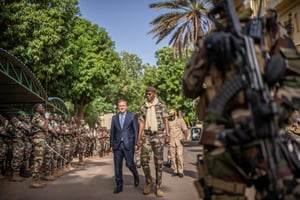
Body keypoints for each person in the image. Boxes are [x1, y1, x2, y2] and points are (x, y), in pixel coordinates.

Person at [182, 0, 300, 199]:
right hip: (223, 140)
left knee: (285, 192)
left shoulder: (267, 29)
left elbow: (294, 77)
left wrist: (276, 112)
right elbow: (189, 88)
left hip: (264, 133)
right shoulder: (210, 41)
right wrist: (208, 49)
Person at [137, 86, 170, 197]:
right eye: (146, 93)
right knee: (143, 159)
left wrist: (167, 135)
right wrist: (139, 137)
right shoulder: (143, 106)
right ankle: (149, 182)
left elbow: (166, 120)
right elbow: (141, 122)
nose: (148, 95)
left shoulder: (161, 105)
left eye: (150, 93)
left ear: (154, 94)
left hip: (159, 135)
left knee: (158, 162)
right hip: (146, 135)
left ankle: (158, 187)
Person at [109, 99, 139, 194]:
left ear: (126, 106)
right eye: (120, 106)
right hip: (117, 145)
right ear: (118, 107)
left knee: (129, 164)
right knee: (117, 166)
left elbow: (136, 131)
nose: (121, 107)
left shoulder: (132, 116)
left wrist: (136, 144)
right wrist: (111, 145)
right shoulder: (114, 118)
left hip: (128, 144)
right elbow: (112, 132)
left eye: (123, 105)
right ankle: (119, 185)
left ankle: (135, 174)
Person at [30, 104, 57, 188]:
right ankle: (35, 181)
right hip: (38, 140)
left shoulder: (41, 117)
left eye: (43, 107)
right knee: (38, 160)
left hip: (42, 140)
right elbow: (45, 128)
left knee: (46, 157)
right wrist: (47, 118)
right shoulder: (37, 117)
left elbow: (49, 129)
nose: (43, 108)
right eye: (41, 107)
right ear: (37, 109)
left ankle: (44, 175)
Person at [167, 109, 188, 178]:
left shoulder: (180, 120)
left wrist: (185, 138)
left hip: (179, 141)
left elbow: (185, 130)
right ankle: (175, 170)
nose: (171, 117)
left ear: (175, 114)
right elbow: (166, 132)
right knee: (173, 157)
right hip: (171, 141)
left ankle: (181, 171)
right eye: (170, 115)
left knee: (179, 156)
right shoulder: (168, 121)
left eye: (172, 115)